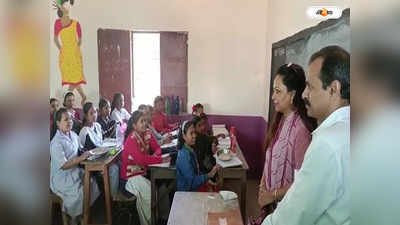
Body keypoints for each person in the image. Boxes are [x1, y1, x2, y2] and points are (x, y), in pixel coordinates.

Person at [262, 45, 350, 225]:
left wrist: (273, 196)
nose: (305, 94)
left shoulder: (327, 143)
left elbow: (291, 216)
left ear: (333, 89)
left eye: (310, 86)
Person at [249, 63, 317, 224]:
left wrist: (272, 195)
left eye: (278, 91)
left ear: (293, 94)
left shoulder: (300, 130)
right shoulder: (281, 120)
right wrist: (263, 184)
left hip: (287, 210)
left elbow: (303, 184)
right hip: (272, 206)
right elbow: (271, 158)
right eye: (274, 90)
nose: (273, 96)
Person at [50, 108, 100, 225]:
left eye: (70, 119)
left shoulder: (73, 135)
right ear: (58, 123)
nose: (70, 122)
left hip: (74, 171)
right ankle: (75, 218)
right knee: (81, 192)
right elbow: (64, 165)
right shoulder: (56, 142)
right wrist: (81, 158)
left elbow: (82, 149)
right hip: (61, 177)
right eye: (66, 120)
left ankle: (81, 215)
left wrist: (91, 153)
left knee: (91, 183)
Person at [120, 111, 170, 225]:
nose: (144, 124)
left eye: (145, 121)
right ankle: (147, 222)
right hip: (130, 176)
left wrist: (153, 156)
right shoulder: (131, 139)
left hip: (142, 171)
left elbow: (157, 148)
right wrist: (160, 159)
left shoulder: (147, 133)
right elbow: (141, 160)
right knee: (149, 192)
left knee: (161, 184)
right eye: (141, 121)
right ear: (134, 125)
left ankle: (161, 218)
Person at [79, 102, 119, 197]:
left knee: (117, 156)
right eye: (91, 113)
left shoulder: (97, 126)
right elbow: (80, 151)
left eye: (95, 112)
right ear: (85, 115)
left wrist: (111, 148)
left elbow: (101, 143)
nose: (94, 115)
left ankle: (112, 194)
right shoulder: (84, 131)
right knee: (114, 169)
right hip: (92, 163)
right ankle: (112, 198)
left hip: (103, 157)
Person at [53, 0, 87, 107]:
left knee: (74, 77)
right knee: (72, 78)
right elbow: (55, 39)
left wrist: (75, 49)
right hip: (65, 55)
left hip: (75, 54)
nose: (67, 10)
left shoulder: (76, 24)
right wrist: (61, 49)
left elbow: (80, 40)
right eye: (65, 8)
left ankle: (67, 99)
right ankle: (80, 96)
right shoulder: (57, 23)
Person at [175, 120, 220, 191]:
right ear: (184, 135)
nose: (194, 136)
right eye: (191, 133)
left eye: (194, 133)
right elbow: (192, 182)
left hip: (193, 187)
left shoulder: (190, 149)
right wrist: (209, 175)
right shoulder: (183, 156)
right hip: (187, 192)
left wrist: (207, 180)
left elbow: (196, 172)